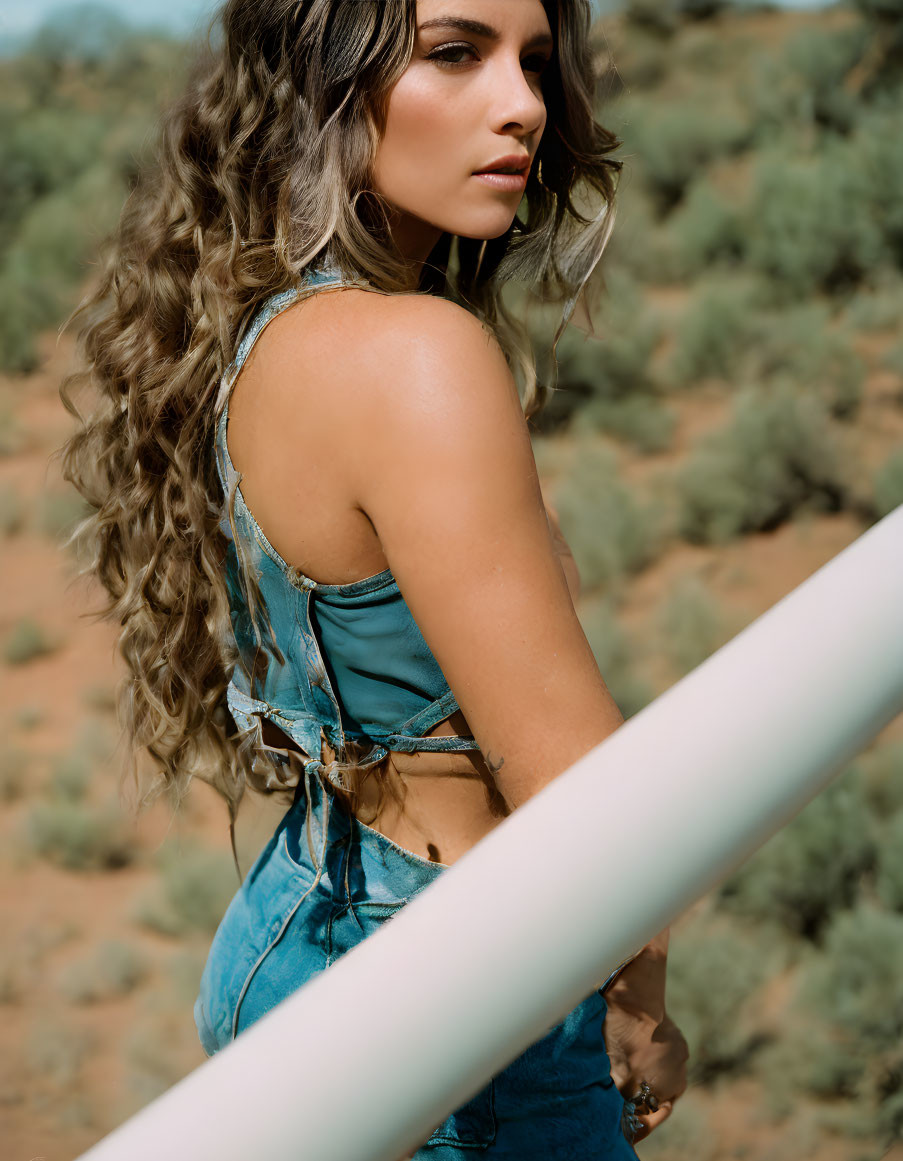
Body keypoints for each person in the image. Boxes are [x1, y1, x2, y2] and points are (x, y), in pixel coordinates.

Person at [58, 0, 688, 1156]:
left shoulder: (267, 331)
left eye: (537, 64)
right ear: (325, 87)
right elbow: (581, 787)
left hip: (308, 920)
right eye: (456, 54)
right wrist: (641, 1000)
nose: (525, 107)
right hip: (468, 999)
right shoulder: (414, 358)